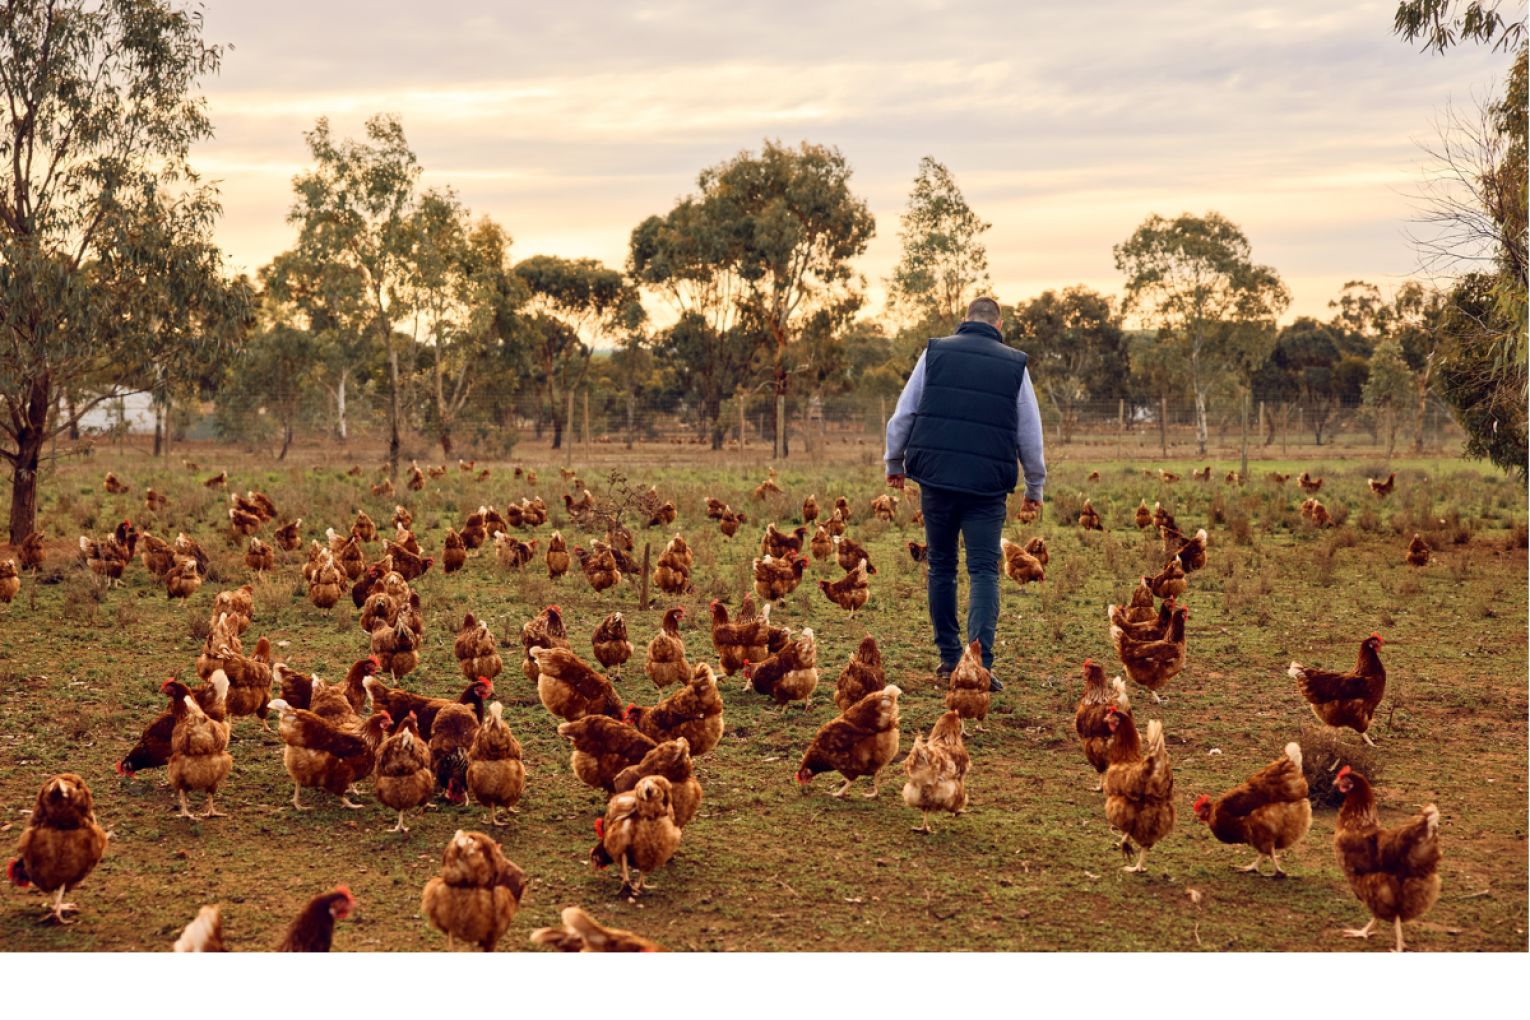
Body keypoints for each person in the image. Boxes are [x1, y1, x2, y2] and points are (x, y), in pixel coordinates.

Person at [884, 296, 1046, 691]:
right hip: (987, 486)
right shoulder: (1014, 364)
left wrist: (894, 461)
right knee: (984, 570)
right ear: (1000, 324)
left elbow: (904, 413)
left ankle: (946, 658)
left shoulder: (935, 353)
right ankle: (979, 663)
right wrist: (1035, 485)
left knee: (941, 565)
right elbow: (1030, 430)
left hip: (936, 480)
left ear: (964, 320)